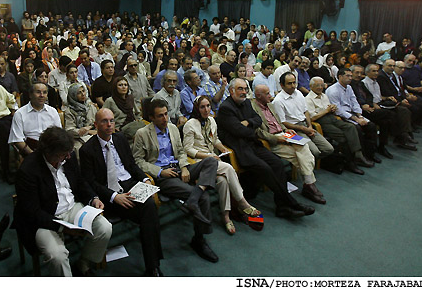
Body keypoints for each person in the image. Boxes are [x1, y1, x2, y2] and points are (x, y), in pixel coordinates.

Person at [13, 126, 112, 276]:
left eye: (68, 153)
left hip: (72, 208)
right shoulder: (28, 170)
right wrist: (62, 228)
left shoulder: (67, 156)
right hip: (45, 218)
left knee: (104, 228)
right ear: (48, 153)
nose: (68, 157)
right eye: (63, 155)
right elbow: (32, 211)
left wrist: (93, 198)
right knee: (57, 256)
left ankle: (84, 262)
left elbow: (80, 182)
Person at [133, 99, 219, 263]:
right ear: (151, 117)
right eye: (160, 116)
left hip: (180, 169)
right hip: (164, 176)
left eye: (166, 114)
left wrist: (185, 166)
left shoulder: (172, 128)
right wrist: (159, 172)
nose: (165, 118)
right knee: (204, 197)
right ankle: (199, 240)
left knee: (211, 162)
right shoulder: (142, 134)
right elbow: (138, 161)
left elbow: (180, 151)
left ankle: (193, 199)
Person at [80, 109, 163, 276]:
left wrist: (145, 179)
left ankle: (152, 266)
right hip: (108, 193)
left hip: (129, 184)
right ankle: (153, 264)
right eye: (104, 121)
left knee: (150, 206)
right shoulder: (87, 150)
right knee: (148, 212)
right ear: (96, 125)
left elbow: (131, 165)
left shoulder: (120, 139)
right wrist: (113, 196)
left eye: (111, 120)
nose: (109, 124)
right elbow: (91, 183)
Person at [216, 78, 315, 219]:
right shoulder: (226, 108)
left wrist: (248, 122)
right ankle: (291, 203)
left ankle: (282, 207)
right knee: (266, 169)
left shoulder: (246, 103)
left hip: (253, 143)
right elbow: (239, 130)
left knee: (277, 164)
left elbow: (258, 120)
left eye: (245, 88)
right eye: (240, 89)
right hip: (240, 150)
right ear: (231, 91)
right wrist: (251, 127)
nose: (244, 92)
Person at [183, 95, 262, 234]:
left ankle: (225, 216)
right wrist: (208, 156)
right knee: (229, 168)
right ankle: (242, 202)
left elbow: (215, 140)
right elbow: (187, 149)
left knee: (223, 181)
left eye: (208, 106)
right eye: (202, 107)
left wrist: (222, 148)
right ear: (197, 108)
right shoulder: (190, 124)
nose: (206, 109)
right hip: (199, 162)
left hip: (213, 160)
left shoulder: (212, 120)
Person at [252, 85, 325, 204]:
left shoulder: (270, 105)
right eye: (267, 94)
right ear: (259, 95)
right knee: (302, 156)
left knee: (304, 146)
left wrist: (286, 129)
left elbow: (279, 121)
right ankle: (309, 185)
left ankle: (308, 184)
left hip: (284, 134)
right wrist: (276, 139)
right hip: (273, 139)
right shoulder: (252, 108)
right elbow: (258, 131)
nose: (270, 96)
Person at [306, 76, 374, 175]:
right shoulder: (308, 99)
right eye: (317, 85)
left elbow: (330, 108)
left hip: (332, 118)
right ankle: (351, 163)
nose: (320, 87)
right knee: (343, 137)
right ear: (311, 86)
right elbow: (312, 118)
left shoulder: (324, 96)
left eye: (322, 85)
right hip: (322, 122)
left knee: (351, 127)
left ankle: (358, 154)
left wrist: (332, 108)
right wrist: (326, 111)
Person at [272, 72, 334, 160]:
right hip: (292, 131)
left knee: (329, 149)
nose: (293, 85)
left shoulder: (298, 93)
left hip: (305, 125)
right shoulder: (278, 100)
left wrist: (309, 126)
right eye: (289, 83)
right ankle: (307, 162)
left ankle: (310, 161)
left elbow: (306, 112)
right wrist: (303, 129)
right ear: (282, 85)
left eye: (294, 82)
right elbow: (283, 123)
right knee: (314, 152)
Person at [326, 68, 380, 163]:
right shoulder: (332, 90)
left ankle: (370, 153)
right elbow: (338, 110)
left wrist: (360, 116)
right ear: (340, 77)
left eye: (351, 76)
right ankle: (359, 156)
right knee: (357, 128)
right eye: (348, 76)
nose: (350, 78)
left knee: (371, 126)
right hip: (342, 116)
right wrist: (356, 119)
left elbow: (355, 102)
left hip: (353, 113)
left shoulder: (349, 87)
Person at [361, 63, 416, 152]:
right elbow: (367, 99)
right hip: (372, 107)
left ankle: (403, 135)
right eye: (373, 71)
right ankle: (400, 138)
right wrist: (375, 104)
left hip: (381, 103)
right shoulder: (364, 83)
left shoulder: (376, 82)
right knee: (391, 116)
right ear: (367, 72)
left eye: (376, 71)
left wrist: (387, 98)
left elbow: (378, 96)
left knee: (403, 110)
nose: (376, 73)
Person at [8, 82, 62, 157]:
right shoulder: (20, 114)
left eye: (45, 92)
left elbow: (59, 134)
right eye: (38, 92)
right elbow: (18, 140)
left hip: (50, 150)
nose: (42, 95)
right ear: (30, 95)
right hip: (30, 150)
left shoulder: (52, 111)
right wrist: (33, 155)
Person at [64, 83, 97, 153]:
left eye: (83, 91)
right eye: (79, 93)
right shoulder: (69, 111)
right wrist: (87, 131)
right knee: (79, 149)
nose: (83, 94)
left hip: (95, 134)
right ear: (73, 95)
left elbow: (98, 122)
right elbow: (69, 130)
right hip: (78, 138)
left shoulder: (91, 107)